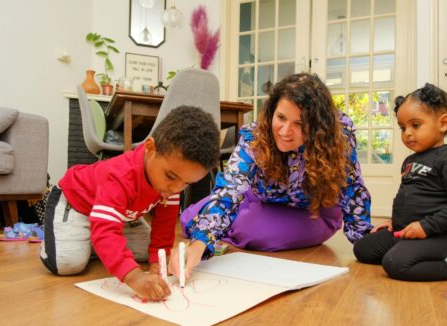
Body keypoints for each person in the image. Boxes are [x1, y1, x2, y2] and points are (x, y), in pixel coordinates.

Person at [170, 73, 373, 279]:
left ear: (318, 126)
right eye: (281, 118)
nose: (286, 131)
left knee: (253, 230)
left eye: (299, 124)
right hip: (260, 197)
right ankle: (230, 223)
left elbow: (352, 187)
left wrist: (364, 239)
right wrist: (198, 244)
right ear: (271, 112)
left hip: (313, 211)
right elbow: (231, 187)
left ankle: (234, 224)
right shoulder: (255, 136)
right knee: (190, 219)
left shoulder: (339, 134)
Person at [40, 106, 221, 300]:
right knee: (68, 262)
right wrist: (133, 276)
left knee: (146, 253)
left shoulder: (172, 183)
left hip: (120, 214)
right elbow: (107, 229)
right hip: (75, 202)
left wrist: (156, 264)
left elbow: (164, 227)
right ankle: (85, 236)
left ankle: (94, 239)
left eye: (187, 183)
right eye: (170, 176)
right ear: (150, 149)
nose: (176, 189)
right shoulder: (120, 175)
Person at [353, 83, 447, 281]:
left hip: (438, 235)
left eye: (415, 125)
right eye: (403, 127)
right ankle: (407, 250)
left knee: (394, 264)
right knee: (363, 249)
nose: (407, 133)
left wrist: (426, 226)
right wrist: (395, 222)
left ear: (443, 123)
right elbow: (410, 198)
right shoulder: (410, 161)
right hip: (405, 231)